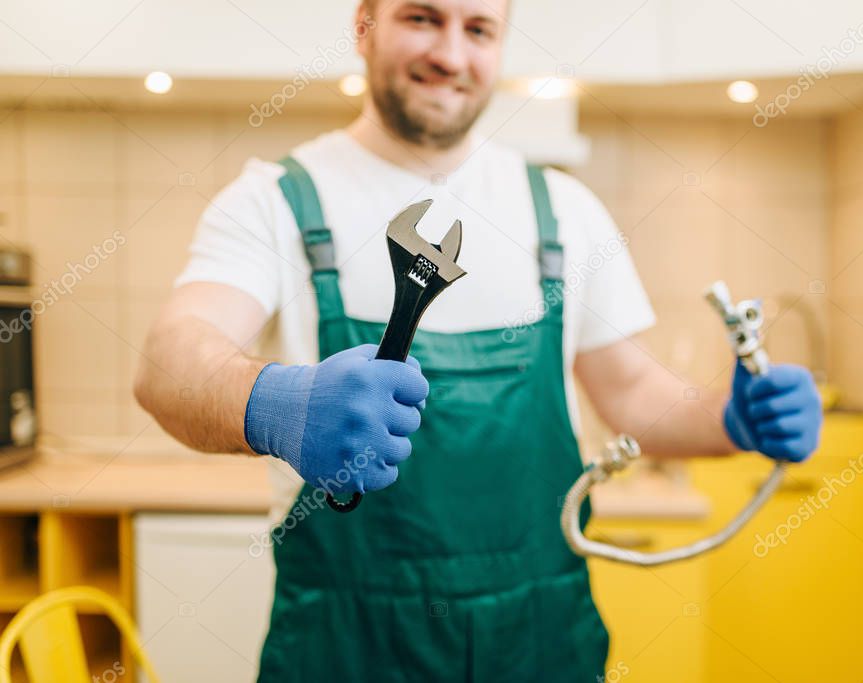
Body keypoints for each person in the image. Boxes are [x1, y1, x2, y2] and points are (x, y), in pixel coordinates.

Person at [133, 0, 823, 680]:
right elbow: (168, 362)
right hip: (347, 641)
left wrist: (730, 420)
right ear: (363, 26)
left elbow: (635, 393)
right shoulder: (275, 199)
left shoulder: (564, 211)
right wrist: (275, 402)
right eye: (422, 17)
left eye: (478, 28)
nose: (451, 53)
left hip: (539, 639)